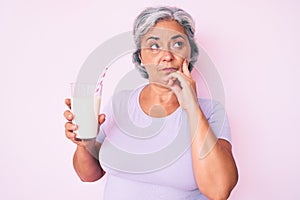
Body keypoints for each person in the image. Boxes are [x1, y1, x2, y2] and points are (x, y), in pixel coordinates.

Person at [64, 6, 238, 200]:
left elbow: (219, 191)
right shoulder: (120, 103)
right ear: (141, 57)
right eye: (154, 46)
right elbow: (88, 175)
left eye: (178, 44)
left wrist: (191, 107)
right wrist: (84, 144)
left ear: (189, 54)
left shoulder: (211, 111)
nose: (167, 56)